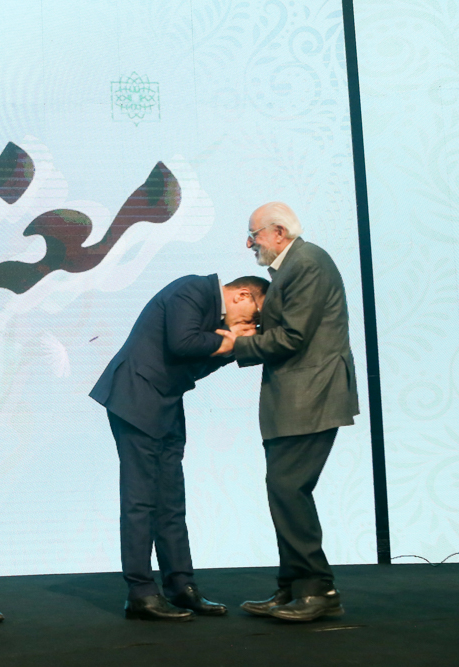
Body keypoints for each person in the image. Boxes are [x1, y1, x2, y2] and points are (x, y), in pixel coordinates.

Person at [90, 274, 267, 621]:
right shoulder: (194, 289)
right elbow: (183, 344)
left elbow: (195, 365)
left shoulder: (215, 321)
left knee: (171, 501)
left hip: (167, 403)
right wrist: (230, 339)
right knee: (141, 500)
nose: (252, 324)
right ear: (243, 295)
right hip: (136, 397)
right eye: (255, 316)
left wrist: (230, 346)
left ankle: (181, 585)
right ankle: (140, 592)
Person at [235, 201, 359, 622]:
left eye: (254, 234)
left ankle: (318, 589)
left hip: (312, 395)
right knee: (283, 489)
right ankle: (292, 587)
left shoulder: (306, 263)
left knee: (288, 489)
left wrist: (234, 344)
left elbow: (292, 336)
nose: (249, 243)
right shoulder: (293, 266)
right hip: (296, 397)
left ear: (278, 233)